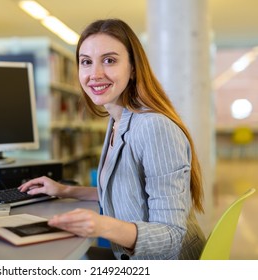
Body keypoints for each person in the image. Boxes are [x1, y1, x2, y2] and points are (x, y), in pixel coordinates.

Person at [19, 18, 206, 260]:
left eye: (109, 60)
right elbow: (126, 192)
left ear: (133, 68)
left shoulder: (154, 127)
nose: (94, 74)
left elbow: (170, 237)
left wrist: (102, 226)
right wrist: (64, 190)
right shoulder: (118, 119)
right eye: (86, 62)